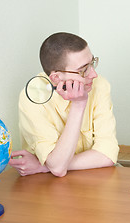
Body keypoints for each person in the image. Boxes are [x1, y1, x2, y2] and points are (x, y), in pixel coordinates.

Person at [9, 32, 119, 177]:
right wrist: (79, 105)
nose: (93, 74)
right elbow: (58, 169)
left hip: (93, 178)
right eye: (84, 70)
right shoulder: (31, 97)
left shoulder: (99, 85)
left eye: (92, 63)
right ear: (56, 78)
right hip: (44, 186)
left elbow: (108, 155)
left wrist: (44, 166)